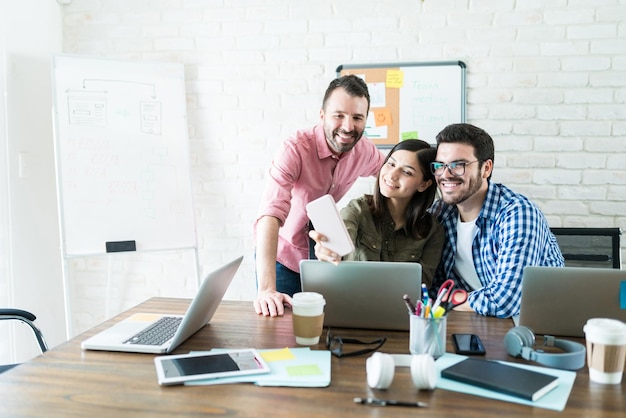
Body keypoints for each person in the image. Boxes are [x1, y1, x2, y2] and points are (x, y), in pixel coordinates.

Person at [253, 75, 386, 317]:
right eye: (339, 115)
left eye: (357, 117)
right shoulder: (294, 148)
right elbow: (270, 213)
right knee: (279, 333)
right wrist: (266, 289)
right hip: (283, 256)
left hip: (323, 261)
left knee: (324, 329)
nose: (348, 126)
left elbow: (390, 175)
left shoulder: (364, 151)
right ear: (322, 115)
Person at [429, 123, 563, 318]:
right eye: (440, 165)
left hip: (536, 326)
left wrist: (450, 300)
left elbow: (504, 302)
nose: (445, 174)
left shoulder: (517, 214)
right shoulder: (441, 214)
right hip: (476, 320)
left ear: (486, 168)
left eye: (458, 165)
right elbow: (433, 289)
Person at [310, 139, 445, 288]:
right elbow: (340, 242)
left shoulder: (433, 232)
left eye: (407, 172)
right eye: (391, 164)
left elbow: (421, 287)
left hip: (402, 308)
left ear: (423, 184)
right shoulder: (357, 210)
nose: (392, 175)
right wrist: (328, 251)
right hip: (350, 302)